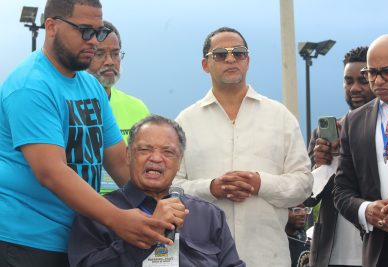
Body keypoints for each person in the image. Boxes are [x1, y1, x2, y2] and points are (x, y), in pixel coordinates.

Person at [0, 1, 173, 266]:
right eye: (84, 31)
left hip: (81, 237)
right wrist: (117, 218)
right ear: (51, 27)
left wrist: (159, 203)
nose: (93, 41)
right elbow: (51, 173)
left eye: (99, 31)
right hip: (27, 242)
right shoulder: (30, 85)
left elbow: (118, 160)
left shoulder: (89, 85)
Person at [174, 26, 313, 266]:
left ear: (247, 61)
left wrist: (260, 183)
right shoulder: (185, 122)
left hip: (267, 257)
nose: (230, 58)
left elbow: (303, 183)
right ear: (205, 65)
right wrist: (212, 188)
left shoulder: (279, 117)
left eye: (238, 53)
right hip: (202, 258)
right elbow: (170, 188)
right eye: (220, 54)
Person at [68, 115, 245, 267]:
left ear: (179, 161)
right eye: (145, 149)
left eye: (168, 152)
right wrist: (148, 235)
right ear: (129, 155)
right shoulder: (99, 213)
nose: (156, 158)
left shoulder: (208, 215)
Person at [334, 34, 388, 267]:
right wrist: (366, 210)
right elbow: (341, 190)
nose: (378, 81)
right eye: (371, 73)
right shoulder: (354, 122)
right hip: (381, 251)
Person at [306, 47, 375, 267]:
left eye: (362, 80)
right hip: (331, 255)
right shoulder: (323, 134)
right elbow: (307, 199)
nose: (354, 88)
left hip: (377, 252)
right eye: (348, 81)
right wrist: (321, 165)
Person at [86, 20, 149, 194]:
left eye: (115, 54)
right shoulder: (69, 103)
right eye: (99, 54)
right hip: (80, 210)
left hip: (128, 207)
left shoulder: (137, 107)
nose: (110, 62)